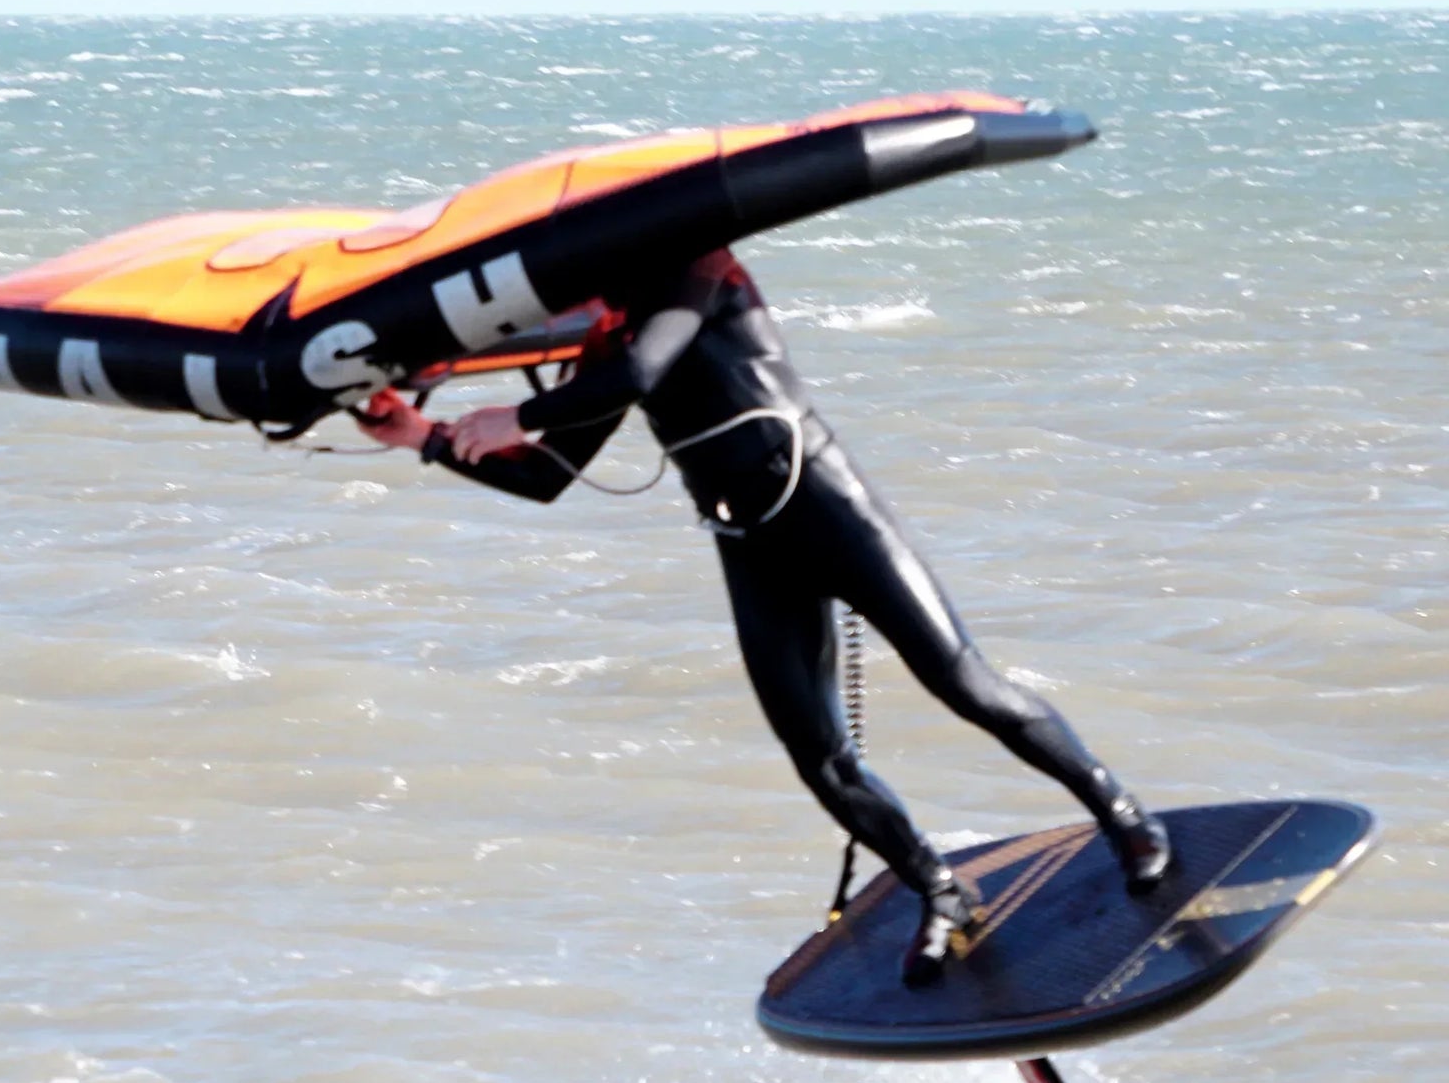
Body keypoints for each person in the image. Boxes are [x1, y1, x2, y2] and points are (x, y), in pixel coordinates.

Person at [358, 250, 1170, 981]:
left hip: (830, 507)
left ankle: (1123, 816)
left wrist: (520, 414)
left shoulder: (699, 269)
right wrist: (422, 437)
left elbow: (643, 371)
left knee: (964, 685)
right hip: (749, 544)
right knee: (817, 755)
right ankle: (940, 891)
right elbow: (546, 476)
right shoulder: (605, 338)